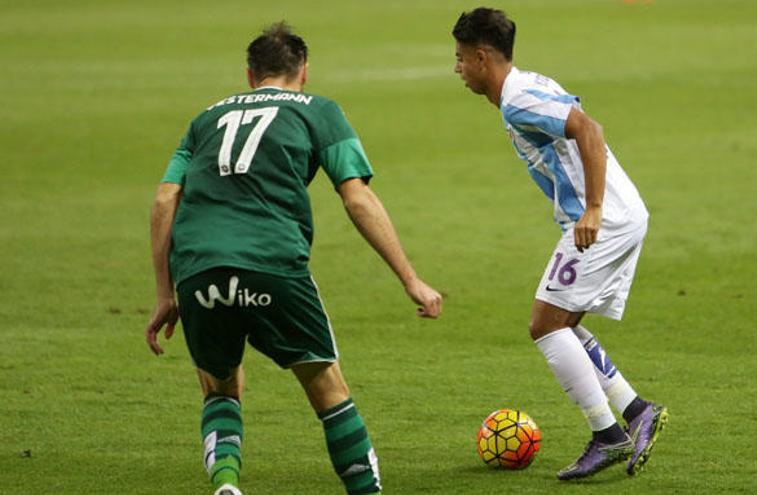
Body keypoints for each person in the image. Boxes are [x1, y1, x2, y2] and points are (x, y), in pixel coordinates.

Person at [144, 22, 443, 495]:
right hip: (272, 264)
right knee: (326, 387)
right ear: (304, 72)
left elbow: (165, 200)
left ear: (250, 75)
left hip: (199, 268)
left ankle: (226, 482)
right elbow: (357, 198)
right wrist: (411, 279)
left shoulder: (205, 119)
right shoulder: (320, 110)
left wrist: (165, 292)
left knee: (220, 385)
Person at [451, 8, 667, 481]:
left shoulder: (518, 100)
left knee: (544, 325)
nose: (458, 68)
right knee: (563, 323)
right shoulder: (528, 83)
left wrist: (591, 209)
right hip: (622, 214)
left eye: (462, 58)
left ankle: (608, 435)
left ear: (483, 57)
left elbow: (589, 130)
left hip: (601, 220)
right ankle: (635, 411)